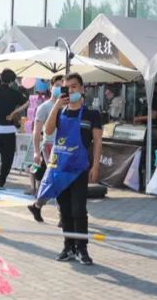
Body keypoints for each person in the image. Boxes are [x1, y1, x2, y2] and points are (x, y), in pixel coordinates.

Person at [41, 73, 103, 266]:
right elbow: (47, 131)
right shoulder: (60, 112)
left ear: (82, 89)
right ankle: (68, 247)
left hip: (79, 169)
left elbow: (98, 142)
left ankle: (82, 249)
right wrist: (56, 106)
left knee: (79, 210)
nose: (71, 90)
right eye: (67, 87)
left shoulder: (92, 114)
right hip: (60, 169)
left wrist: (95, 166)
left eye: (74, 86)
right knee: (65, 211)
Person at [27, 74, 65, 221]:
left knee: (55, 179)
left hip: (65, 147)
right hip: (50, 146)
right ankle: (62, 215)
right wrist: (36, 152)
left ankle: (37, 206)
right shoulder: (44, 107)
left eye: (62, 86)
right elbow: (36, 131)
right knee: (57, 178)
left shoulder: (68, 106)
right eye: (57, 85)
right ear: (51, 87)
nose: (59, 88)